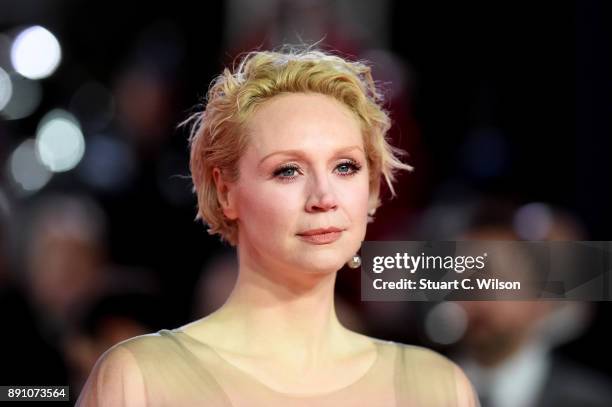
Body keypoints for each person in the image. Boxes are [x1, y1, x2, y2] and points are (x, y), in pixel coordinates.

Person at [76, 46, 480, 406]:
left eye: (345, 167)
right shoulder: (140, 379)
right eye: (288, 170)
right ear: (226, 190)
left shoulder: (436, 388)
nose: (324, 196)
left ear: (372, 188)